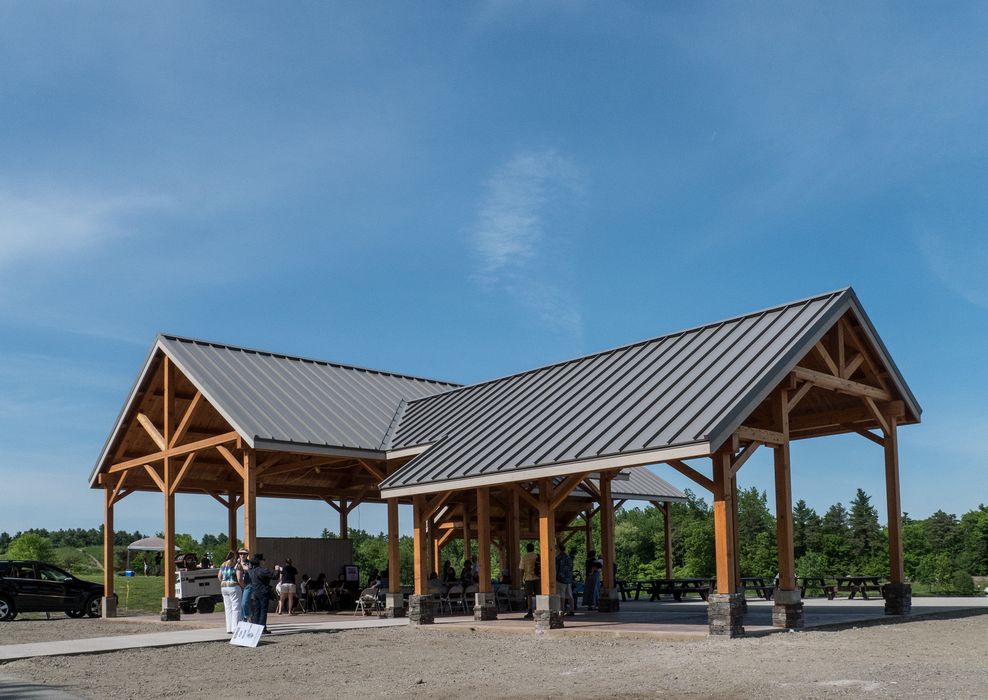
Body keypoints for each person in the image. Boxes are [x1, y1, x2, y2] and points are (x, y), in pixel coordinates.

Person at [248, 553, 279, 633]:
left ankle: (255, 628)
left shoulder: (251, 571)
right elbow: (275, 576)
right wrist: (277, 569)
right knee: (263, 611)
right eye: (263, 560)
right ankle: (262, 628)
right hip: (263, 593)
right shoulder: (262, 570)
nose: (264, 561)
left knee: (256, 610)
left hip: (255, 593)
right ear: (260, 561)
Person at [217, 550, 242, 634]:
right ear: (235, 556)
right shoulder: (236, 565)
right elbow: (239, 578)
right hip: (233, 586)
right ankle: (235, 628)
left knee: (228, 608)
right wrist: (243, 586)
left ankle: (229, 628)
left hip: (224, 587)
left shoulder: (223, 564)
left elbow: (219, 576)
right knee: (236, 608)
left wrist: (223, 581)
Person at [520, 543, 538, 620]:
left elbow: (521, 569)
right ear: (533, 548)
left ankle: (530, 611)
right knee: (538, 594)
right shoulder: (537, 556)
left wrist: (521, 579)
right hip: (537, 578)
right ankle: (539, 609)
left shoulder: (524, 557)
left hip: (528, 578)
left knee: (529, 595)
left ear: (527, 549)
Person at [556, 547, 575, 616]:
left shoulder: (558, 558)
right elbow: (571, 567)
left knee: (562, 595)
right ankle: (572, 610)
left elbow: (556, 568)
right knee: (570, 595)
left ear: (558, 550)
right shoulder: (569, 557)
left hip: (560, 578)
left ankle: (562, 610)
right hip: (568, 578)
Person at [236, 548, 253, 620]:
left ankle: (249, 618)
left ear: (247, 555)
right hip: (237, 586)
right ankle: (243, 620)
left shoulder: (249, 563)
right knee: (239, 605)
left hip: (247, 585)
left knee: (244, 603)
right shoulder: (236, 563)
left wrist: (246, 569)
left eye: (244, 554)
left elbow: (252, 573)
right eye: (240, 553)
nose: (242, 555)